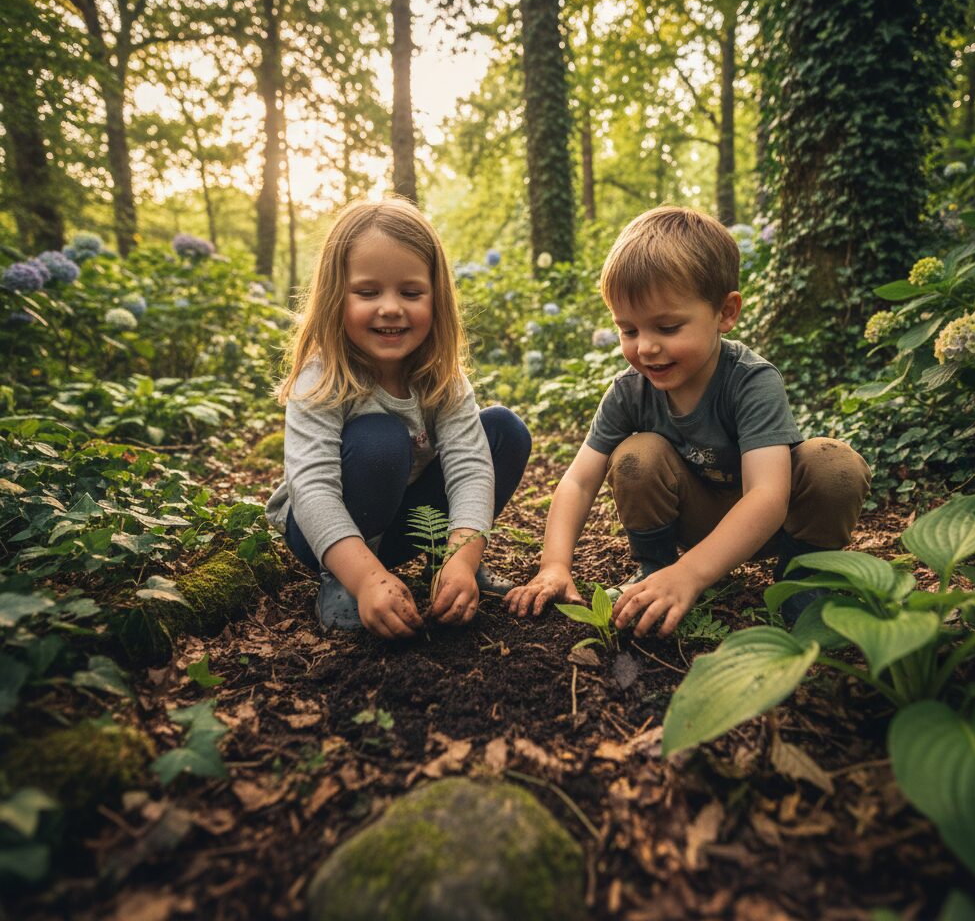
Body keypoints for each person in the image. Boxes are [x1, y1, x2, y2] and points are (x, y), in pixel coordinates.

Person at [505, 206, 870, 637]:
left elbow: (768, 496)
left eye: (668, 327)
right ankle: (655, 570)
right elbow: (579, 481)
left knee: (835, 464)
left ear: (725, 312)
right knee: (636, 455)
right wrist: (554, 565)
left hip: (771, 526)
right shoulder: (630, 390)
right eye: (629, 330)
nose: (647, 349)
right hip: (689, 519)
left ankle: (802, 581)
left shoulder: (751, 381)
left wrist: (692, 574)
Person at [266, 198, 531, 639]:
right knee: (382, 439)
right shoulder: (323, 376)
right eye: (368, 292)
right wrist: (366, 578)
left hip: (401, 524)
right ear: (337, 296)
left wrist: (462, 557)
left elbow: (470, 468)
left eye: (410, 293)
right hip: (323, 535)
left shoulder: (441, 377)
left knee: (504, 431)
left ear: (435, 297)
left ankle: (443, 570)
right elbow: (312, 487)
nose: (391, 308)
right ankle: (343, 583)